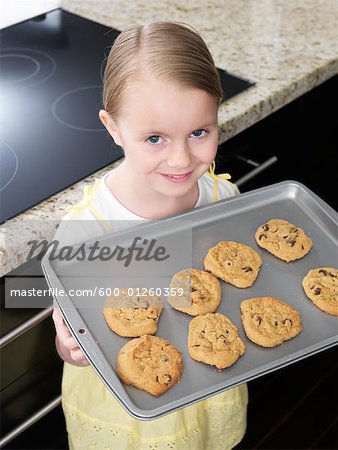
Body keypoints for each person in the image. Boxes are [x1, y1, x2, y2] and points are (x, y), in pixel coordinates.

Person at [52, 21, 248, 450]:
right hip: (124, 409)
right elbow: (68, 335)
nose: (181, 159)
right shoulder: (88, 228)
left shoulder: (225, 196)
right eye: (155, 138)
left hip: (208, 387)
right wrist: (68, 345)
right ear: (114, 127)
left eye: (199, 132)